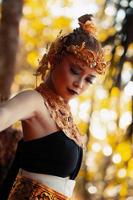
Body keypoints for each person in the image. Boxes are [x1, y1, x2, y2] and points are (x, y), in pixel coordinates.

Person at [0, 14, 108, 200]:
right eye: (75, 71)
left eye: (89, 80)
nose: (79, 84)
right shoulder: (34, 100)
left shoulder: (64, 112)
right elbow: (3, 114)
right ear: (54, 59)